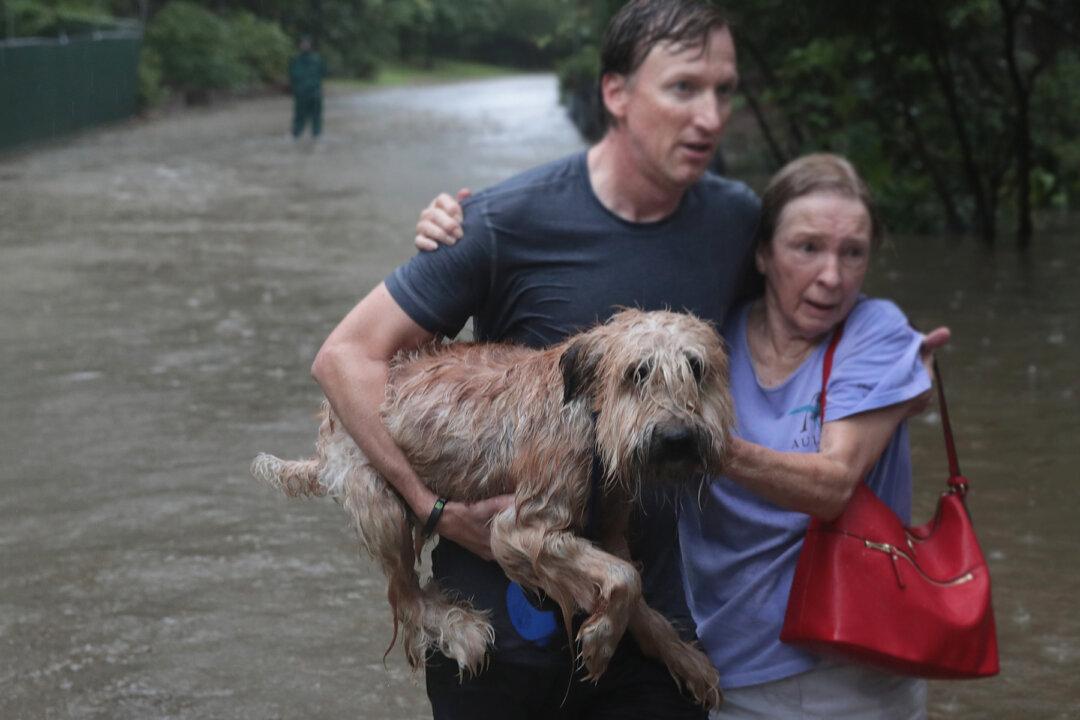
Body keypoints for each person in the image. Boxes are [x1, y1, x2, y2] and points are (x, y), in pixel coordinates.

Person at [311, 2, 756, 717]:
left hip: (647, 623)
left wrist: (887, 348)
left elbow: (811, 300)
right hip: (501, 633)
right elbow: (343, 359)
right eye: (684, 88)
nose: (710, 115)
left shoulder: (735, 221)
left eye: (724, 90)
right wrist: (431, 510)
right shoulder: (498, 220)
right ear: (616, 93)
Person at [677, 154, 936, 719]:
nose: (832, 277)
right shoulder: (709, 339)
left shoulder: (877, 331)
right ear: (764, 254)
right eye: (808, 247)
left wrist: (697, 442)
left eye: (853, 253)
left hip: (850, 674)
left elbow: (832, 485)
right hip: (720, 668)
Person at [289, 36, 325, 140]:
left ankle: (317, 135)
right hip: (301, 93)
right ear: (299, 45)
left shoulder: (317, 59)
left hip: (315, 93)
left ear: (311, 45)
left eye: (307, 43)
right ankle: (296, 135)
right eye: (303, 43)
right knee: (299, 116)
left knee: (316, 116)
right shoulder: (295, 60)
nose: (305, 45)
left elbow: (323, 73)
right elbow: (292, 76)